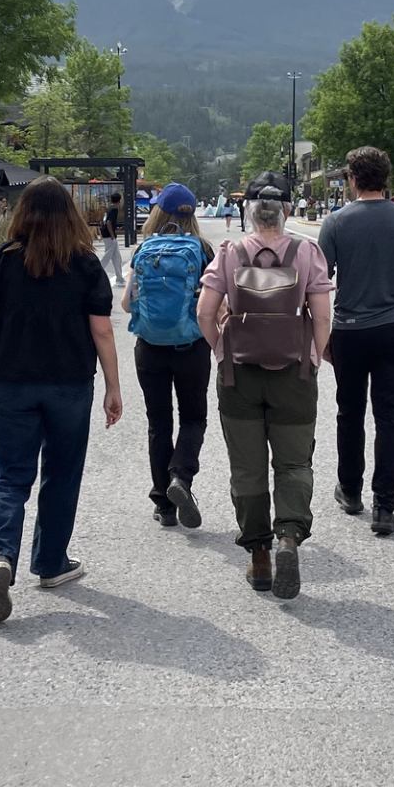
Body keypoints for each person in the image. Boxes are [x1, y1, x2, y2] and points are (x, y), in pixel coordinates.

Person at [0, 178, 122, 624]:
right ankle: (51, 563)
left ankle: (0, 556)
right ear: (69, 216)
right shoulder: (85, 264)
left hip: (10, 379)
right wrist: (113, 387)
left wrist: (5, 333)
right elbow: (102, 331)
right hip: (69, 382)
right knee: (62, 471)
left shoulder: (3, 259)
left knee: (9, 474)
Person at [196, 170, 332, 599]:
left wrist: (221, 350)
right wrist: (313, 356)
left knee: (247, 466)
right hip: (293, 373)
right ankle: (288, 535)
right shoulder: (307, 252)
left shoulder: (230, 253)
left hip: (239, 376)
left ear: (249, 211)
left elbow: (204, 313)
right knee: (293, 462)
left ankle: (258, 555)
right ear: (287, 210)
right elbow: (323, 316)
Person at [318, 147, 394, 537]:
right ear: (386, 178)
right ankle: (385, 506)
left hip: (349, 331)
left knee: (349, 413)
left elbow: (319, 283)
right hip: (392, 330)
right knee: (390, 418)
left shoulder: (336, 222)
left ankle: (350, 491)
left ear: (352, 179)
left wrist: (321, 335)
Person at [121, 182, 212, 529]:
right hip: (191, 347)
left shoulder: (145, 249)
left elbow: (126, 304)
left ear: (158, 212)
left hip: (149, 349)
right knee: (193, 418)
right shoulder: (202, 249)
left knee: (159, 423)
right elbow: (212, 305)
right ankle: (181, 477)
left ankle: (164, 504)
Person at [98, 204, 125, 282]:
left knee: (117, 257)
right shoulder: (109, 214)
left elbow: (102, 226)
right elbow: (108, 224)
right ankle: (98, 271)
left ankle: (119, 277)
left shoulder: (105, 215)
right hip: (110, 237)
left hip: (108, 237)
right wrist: (112, 236)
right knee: (108, 255)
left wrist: (101, 236)